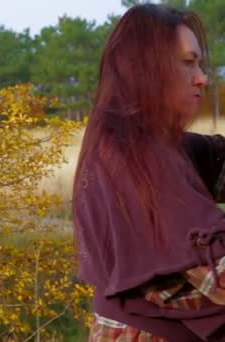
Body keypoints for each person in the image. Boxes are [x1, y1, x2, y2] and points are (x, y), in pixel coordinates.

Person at [73, 4, 225, 341]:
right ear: (147, 69)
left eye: (199, 63)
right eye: (188, 63)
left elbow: (216, 157)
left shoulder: (142, 140)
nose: (202, 77)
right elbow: (218, 276)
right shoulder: (135, 156)